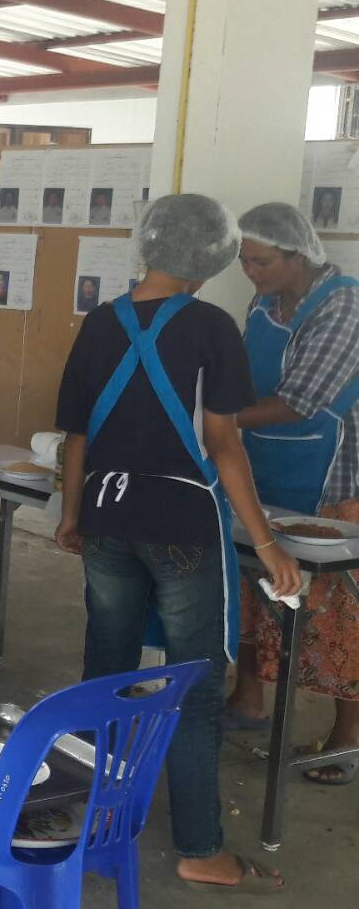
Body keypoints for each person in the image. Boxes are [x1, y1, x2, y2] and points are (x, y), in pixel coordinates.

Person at [54, 193, 297, 893]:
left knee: (106, 668)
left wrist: (71, 515)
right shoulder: (211, 326)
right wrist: (267, 544)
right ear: (211, 257)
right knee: (193, 685)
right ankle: (200, 848)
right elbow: (224, 444)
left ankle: (91, 815)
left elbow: (77, 436)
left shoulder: (100, 321)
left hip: (105, 515)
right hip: (183, 523)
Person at [224, 203, 359, 786]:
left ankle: (348, 734)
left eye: (262, 261)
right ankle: (248, 696)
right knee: (255, 585)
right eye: (244, 260)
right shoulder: (263, 302)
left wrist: (214, 422)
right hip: (263, 467)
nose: (250, 272)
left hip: (329, 476)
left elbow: (300, 400)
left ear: (299, 254)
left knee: (337, 611)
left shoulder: (343, 305)